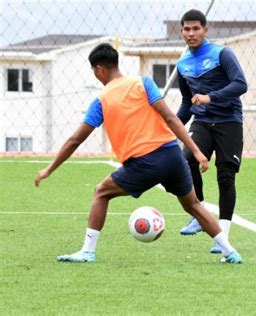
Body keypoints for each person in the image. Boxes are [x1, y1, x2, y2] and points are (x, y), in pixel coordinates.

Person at [34, 43, 242, 264]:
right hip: (172, 155)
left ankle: (87, 250)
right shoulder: (143, 83)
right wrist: (196, 151)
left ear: (99, 69)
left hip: (145, 162)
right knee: (193, 205)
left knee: (101, 192)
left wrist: (49, 168)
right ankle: (230, 251)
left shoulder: (102, 100)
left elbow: (75, 140)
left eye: (94, 72)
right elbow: (171, 118)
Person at [176, 9, 248, 254]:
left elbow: (241, 84)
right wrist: (171, 124)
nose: (191, 33)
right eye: (187, 29)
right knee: (186, 159)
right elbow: (187, 103)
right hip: (203, 122)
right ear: (182, 31)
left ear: (205, 30)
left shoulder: (222, 54)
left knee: (226, 175)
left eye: (196, 28)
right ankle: (200, 214)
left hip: (229, 120)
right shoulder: (182, 63)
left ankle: (223, 236)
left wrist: (210, 97)